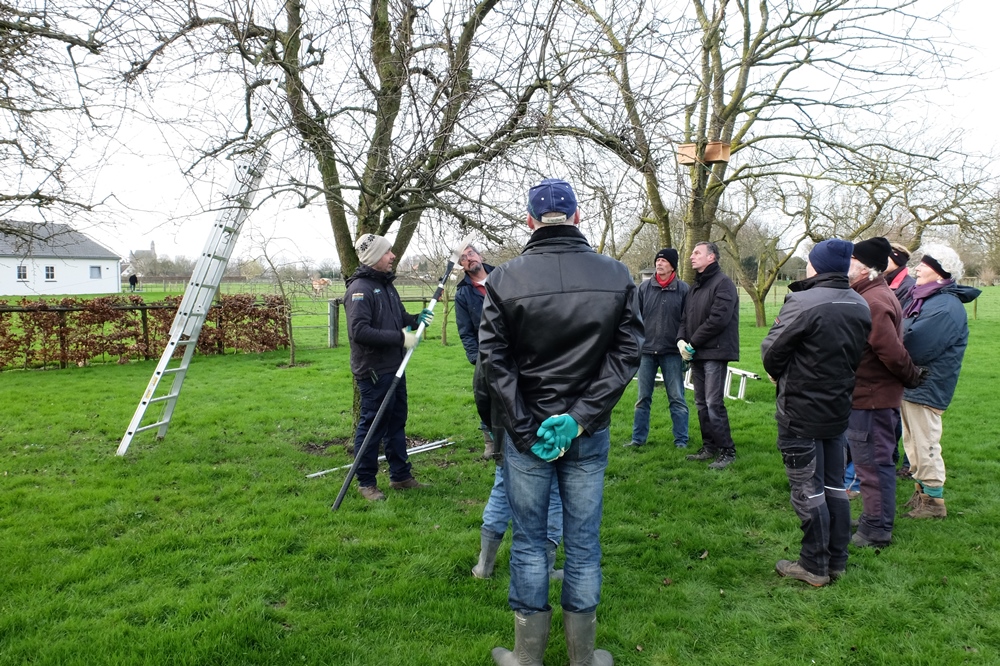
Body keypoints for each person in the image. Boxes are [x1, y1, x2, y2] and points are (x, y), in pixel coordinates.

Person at [475, 178, 642, 666]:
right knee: (583, 542)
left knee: (529, 542)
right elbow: (627, 352)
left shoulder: (504, 278)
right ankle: (582, 658)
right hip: (586, 433)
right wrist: (581, 418)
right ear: (575, 216)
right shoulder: (616, 273)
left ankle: (527, 659)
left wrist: (527, 429)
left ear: (530, 220)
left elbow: (493, 363)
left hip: (535, 432)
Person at [761, 239, 871, 587]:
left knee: (808, 491)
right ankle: (837, 559)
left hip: (800, 411)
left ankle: (814, 565)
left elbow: (772, 350)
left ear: (817, 266)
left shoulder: (804, 300)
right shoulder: (860, 303)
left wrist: (780, 372)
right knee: (834, 486)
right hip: (837, 407)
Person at [456, 243, 565, 581]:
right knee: (555, 488)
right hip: (537, 420)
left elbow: (481, 392)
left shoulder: (494, 343)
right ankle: (541, 567)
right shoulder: (541, 333)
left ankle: (484, 566)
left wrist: (491, 426)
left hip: (508, 422)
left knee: (504, 484)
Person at [846, 238, 925, 548]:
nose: (846, 265)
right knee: (872, 462)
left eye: (851, 260)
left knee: (874, 464)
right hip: (870, 394)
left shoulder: (874, 301)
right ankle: (872, 517)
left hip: (873, 397)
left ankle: (876, 529)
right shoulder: (873, 294)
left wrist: (912, 376)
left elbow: (890, 352)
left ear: (865, 268)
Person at [343, 234, 433, 502]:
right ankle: (366, 482)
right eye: (388, 252)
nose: (393, 256)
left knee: (396, 422)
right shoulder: (360, 289)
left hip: (394, 366)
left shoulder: (386, 285)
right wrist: (401, 338)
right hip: (374, 371)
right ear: (373, 257)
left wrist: (416, 320)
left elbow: (399, 318)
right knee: (373, 426)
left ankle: (400, 476)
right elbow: (360, 331)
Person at [899, 243, 980, 519]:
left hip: (927, 384)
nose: (917, 268)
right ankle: (922, 493)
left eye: (925, 264)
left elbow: (917, 346)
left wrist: (893, 348)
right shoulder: (927, 298)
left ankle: (934, 503)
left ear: (941, 272)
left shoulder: (945, 306)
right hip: (914, 383)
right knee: (912, 443)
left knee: (925, 443)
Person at [677, 241, 739, 469]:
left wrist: (692, 343)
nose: (692, 256)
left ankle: (727, 450)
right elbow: (685, 318)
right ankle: (709, 447)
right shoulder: (695, 286)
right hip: (697, 352)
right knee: (701, 403)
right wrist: (681, 341)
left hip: (715, 351)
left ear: (711, 257)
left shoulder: (723, 284)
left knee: (713, 402)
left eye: (697, 253)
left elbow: (718, 319)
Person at [626, 248, 690, 449]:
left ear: (673, 265)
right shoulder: (644, 289)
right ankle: (638, 440)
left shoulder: (684, 290)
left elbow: (687, 320)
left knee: (677, 398)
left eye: (663, 260)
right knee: (642, 398)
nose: (659, 263)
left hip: (672, 352)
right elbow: (634, 318)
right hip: (646, 352)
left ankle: (681, 440)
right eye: (657, 260)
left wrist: (683, 344)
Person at [455, 244, 498, 458]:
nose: (469, 258)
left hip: (513, 347)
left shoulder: (502, 277)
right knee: (486, 397)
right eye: (463, 258)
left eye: (470, 253)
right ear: (461, 266)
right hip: (486, 353)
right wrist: (475, 357)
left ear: (480, 255)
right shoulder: (463, 293)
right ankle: (490, 441)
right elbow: (465, 330)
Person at [885, 241, 917, 478]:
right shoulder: (889, 282)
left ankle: (908, 463)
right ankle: (893, 456)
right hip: (891, 353)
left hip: (903, 355)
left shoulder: (908, 287)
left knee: (904, 411)